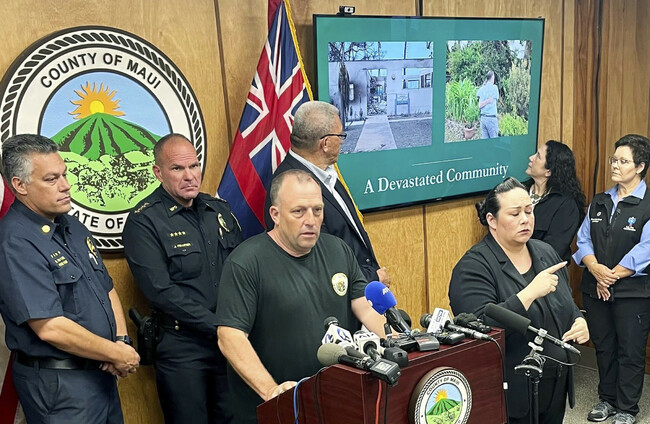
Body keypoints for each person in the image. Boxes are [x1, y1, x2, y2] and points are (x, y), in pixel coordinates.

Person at [217, 170, 387, 424]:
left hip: (337, 400)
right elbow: (229, 337)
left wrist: (396, 341)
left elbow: (364, 306)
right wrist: (271, 390)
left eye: (317, 210)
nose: (311, 220)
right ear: (275, 214)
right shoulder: (246, 263)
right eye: (299, 211)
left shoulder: (337, 249)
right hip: (278, 409)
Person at [0, 134, 139, 423]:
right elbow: (49, 327)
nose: (65, 185)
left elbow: (106, 287)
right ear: (20, 185)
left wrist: (121, 341)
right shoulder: (15, 241)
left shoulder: (72, 225)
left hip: (101, 374)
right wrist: (115, 353)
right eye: (51, 179)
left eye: (64, 174)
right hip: (60, 386)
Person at [123, 133, 242, 424]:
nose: (189, 176)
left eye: (194, 166)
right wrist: (220, 326)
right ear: (158, 172)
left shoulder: (218, 210)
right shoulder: (144, 221)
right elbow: (161, 292)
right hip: (183, 347)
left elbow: (243, 269)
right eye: (177, 168)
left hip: (230, 342)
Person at [448, 177, 589, 424]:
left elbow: (566, 302)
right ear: (492, 220)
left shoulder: (545, 252)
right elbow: (478, 329)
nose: (525, 219)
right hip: (510, 390)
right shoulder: (473, 267)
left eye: (529, 211)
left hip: (555, 383)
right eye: (515, 214)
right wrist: (529, 293)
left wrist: (578, 320)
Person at [263, 100, 390, 287]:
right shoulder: (291, 189)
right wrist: (373, 278)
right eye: (341, 136)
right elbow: (318, 266)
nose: (342, 141)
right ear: (326, 143)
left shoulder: (325, 173)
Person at [573, 134, 650, 424]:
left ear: (640, 166)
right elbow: (583, 240)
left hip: (633, 293)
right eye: (613, 159)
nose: (615, 165)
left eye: (623, 161)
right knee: (604, 347)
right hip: (595, 289)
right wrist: (596, 270)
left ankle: (627, 409)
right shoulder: (600, 201)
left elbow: (646, 249)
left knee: (629, 351)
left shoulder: (647, 205)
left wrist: (609, 276)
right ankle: (606, 399)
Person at [524, 140, 586, 263]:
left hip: (545, 269)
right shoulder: (518, 190)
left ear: (548, 171)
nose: (531, 158)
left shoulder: (566, 205)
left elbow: (553, 250)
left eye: (538, 156)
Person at [477, 70, 499, 138]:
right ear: (492, 77)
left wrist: (486, 101)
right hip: (491, 119)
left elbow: (480, 106)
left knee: (485, 142)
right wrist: (488, 101)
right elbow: (496, 100)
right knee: (494, 141)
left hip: (483, 119)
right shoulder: (495, 88)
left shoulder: (481, 89)